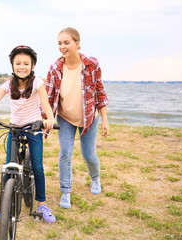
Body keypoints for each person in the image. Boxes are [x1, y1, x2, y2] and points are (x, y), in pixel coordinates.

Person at [0, 45, 57, 223]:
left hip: (34, 128)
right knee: (9, 167)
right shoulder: (9, 84)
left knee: (38, 167)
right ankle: (4, 207)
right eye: (18, 63)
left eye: (26, 63)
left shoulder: (37, 82)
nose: (22, 66)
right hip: (15, 128)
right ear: (12, 66)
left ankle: (42, 205)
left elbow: (45, 102)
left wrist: (50, 118)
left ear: (32, 66)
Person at [44, 27, 109, 209]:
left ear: (77, 44)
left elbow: (100, 93)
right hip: (65, 117)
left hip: (89, 117)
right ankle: (66, 192)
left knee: (88, 154)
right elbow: (48, 98)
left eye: (66, 42)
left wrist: (105, 120)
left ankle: (95, 179)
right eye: (59, 43)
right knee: (65, 153)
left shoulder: (91, 64)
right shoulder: (55, 68)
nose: (62, 47)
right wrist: (44, 121)